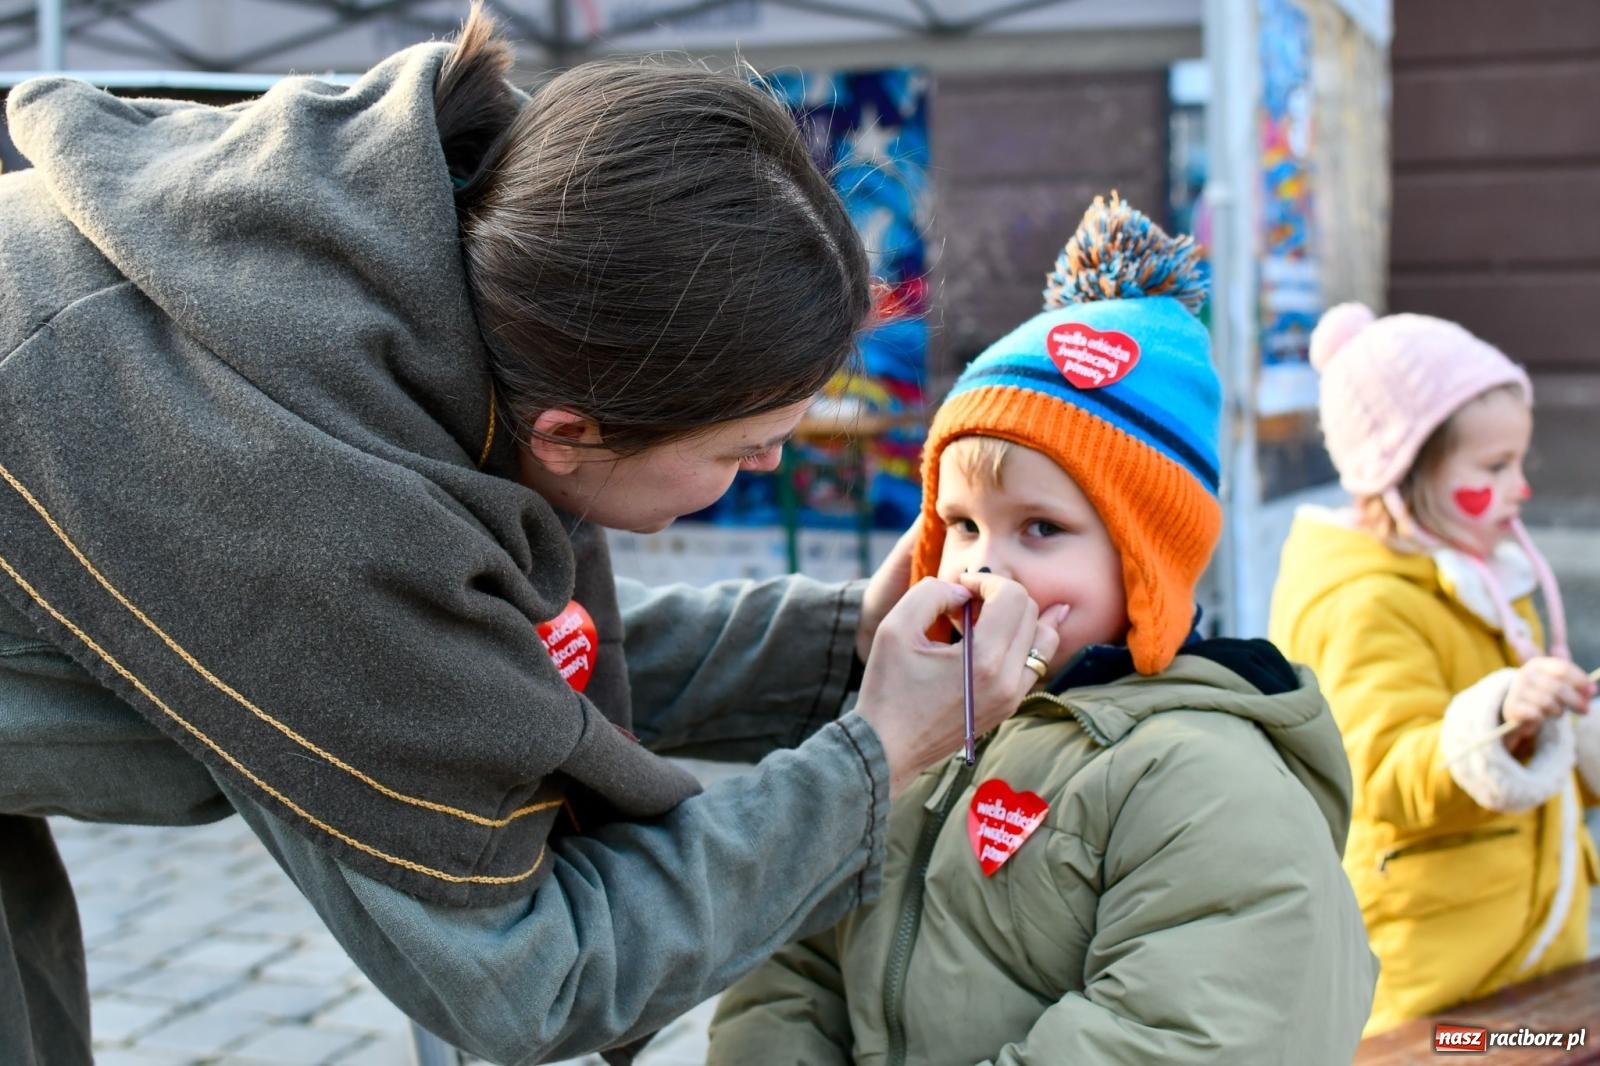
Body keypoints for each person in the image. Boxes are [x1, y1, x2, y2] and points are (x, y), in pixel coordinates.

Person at [0, 7, 1063, 1065]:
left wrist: (850, 640)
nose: (773, 468)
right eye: (746, 450)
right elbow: (529, 973)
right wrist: (875, 754)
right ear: (570, 434)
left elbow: (475, 672)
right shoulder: (289, 497)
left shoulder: (394, 282)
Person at [705, 194, 1378, 1065]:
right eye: (963, 526)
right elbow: (796, 964)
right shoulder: (926, 725)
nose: (986, 568)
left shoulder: (1200, 778)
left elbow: (1178, 1038)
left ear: (1148, 558)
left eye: (1041, 530)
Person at [1269, 303, 1600, 1034]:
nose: (1521, 488)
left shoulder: (1487, 579)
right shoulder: (1363, 604)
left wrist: (1566, 718)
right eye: (1494, 467)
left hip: (1519, 953)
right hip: (1429, 982)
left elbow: (1538, 759)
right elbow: (1381, 775)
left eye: (1519, 461)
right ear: (1403, 470)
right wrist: (1505, 713)